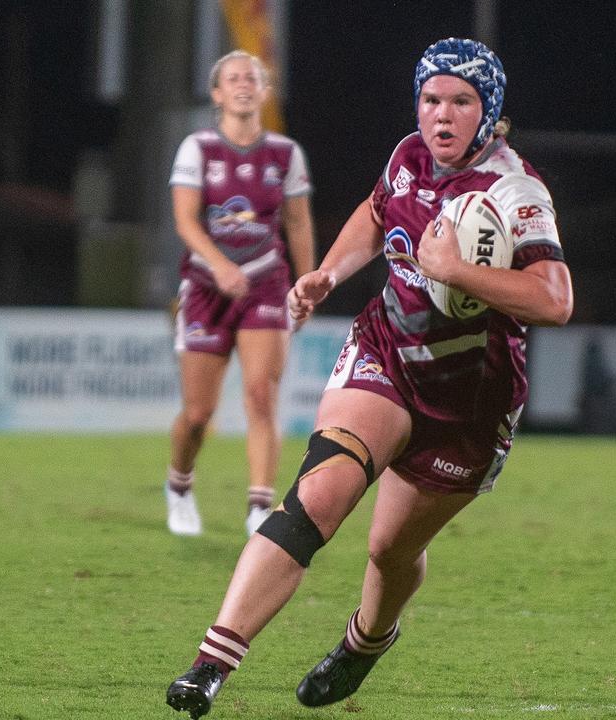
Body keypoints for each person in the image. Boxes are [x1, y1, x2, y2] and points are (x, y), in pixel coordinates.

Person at [165, 37, 572, 718]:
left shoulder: (516, 190)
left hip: (470, 403)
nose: (441, 115)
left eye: (460, 102)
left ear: (489, 108)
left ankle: (367, 641)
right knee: (317, 498)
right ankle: (212, 661)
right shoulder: (409, 155)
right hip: (386, 354)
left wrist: (457, 272)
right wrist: (327, 272)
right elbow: (378, 211)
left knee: (389, 550)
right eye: (431, 99)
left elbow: (555, 300)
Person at [165, 50, 316, 538]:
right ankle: (180, 486)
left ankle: (258, 507)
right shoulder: (198, 149)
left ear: (265, 90)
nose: (244, 85)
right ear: (217, 93)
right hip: (208, 287)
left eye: (253, 78)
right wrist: (221, 265)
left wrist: (307, 281)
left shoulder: (285, 154)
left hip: (265, 283)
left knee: (260, 395)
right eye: (233, 78)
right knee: (197, 414)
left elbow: (297, 222)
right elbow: (186, 220)